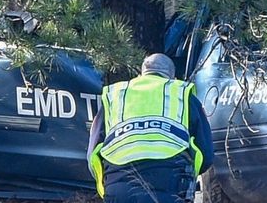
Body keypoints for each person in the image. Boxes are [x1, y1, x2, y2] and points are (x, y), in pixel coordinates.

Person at [87, 53, 214, 203]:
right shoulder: (181, 94)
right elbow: (206, 154)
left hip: (118, 189)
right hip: (169, 187)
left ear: (141, 74)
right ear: (172, 77)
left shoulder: (116, 96)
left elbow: (92, 155)